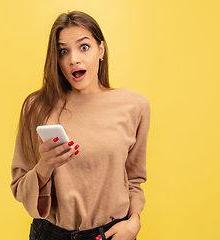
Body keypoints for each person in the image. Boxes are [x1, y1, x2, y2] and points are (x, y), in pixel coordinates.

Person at [11, 11, 150, 240]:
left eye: (83, 47)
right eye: (63, 51)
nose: (73, 59)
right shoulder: (36, 107)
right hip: (51, 234)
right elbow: (20, 186)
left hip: (113, 234)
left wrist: (134, 221)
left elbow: (134, 179)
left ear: (101, 50)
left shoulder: (135, 106)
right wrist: (45, 166)